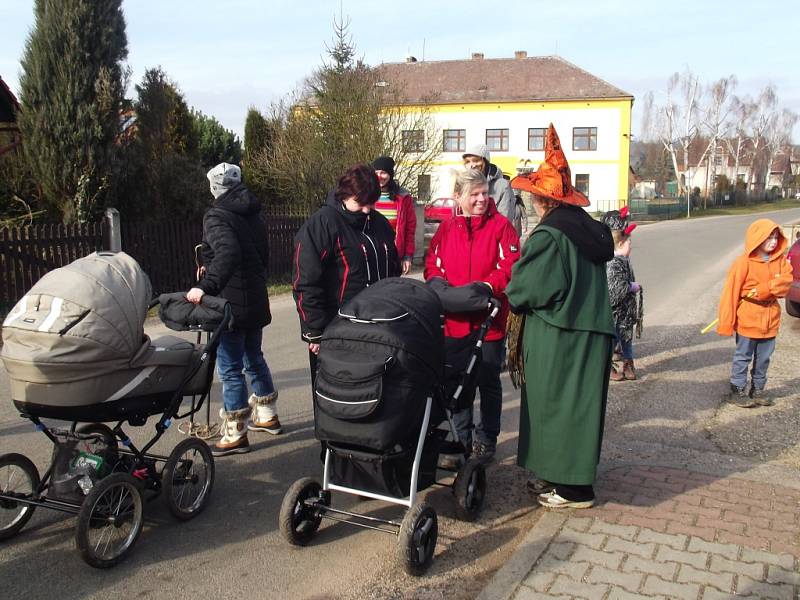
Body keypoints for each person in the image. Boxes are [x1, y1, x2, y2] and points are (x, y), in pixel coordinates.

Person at [505, 124, 615, 509]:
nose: (532, 201)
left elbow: (528, 289)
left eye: (534, 195)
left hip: (560, 334)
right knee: (576, 409)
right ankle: (560, 478)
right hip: (589, 331)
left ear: (543, 200)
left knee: (557, 408)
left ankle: (573, 489)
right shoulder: (585, 229)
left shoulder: (550, 236)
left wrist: (511, 288)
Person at [424, 168, 520, 464]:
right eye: (474, 195)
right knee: (457, 380)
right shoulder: (447, 228)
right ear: (458, 197)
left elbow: (510, 265)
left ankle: (486, 438)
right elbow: (432, 263)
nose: (481, 200)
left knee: (488, 380)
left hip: (488, 321)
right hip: (454, 321)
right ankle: (461, 437)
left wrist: (487, 286)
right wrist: (439, 285)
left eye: (484, 193)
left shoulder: (502, 227)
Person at [187, 162, 279, 457]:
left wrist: (207, 286)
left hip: (229, 304)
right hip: (254, 297)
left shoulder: (216, 215)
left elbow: (227, 253)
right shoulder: (253, 213)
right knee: (254, 357)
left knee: (230, 369)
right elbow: (261, 254)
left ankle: (235, 431)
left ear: (214, 187)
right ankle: (266, 416)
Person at [292, 163, 400, 372]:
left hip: (380, 327)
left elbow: (392, 270)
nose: (367, 209)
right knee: (337, 397)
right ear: (345, 194)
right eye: (361, 202)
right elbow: (306, 281)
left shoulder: (380, 224)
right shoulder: (322, 224)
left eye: (372, 203)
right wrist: (315, 331)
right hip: (337, 328)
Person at [716, 219, 792, 408]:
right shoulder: (743, 262)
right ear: (757, 239)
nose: (773, 242)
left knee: (764, 358)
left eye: (776, 238)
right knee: (743, 356)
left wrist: (765, 289)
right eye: (769, 238)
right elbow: (730, 292)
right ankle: (738, 390)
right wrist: (727, 322)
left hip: (770, 320)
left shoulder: (780, 261)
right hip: (748, 318)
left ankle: (758, 389)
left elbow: (785, 283)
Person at [602, 206, 643, 381]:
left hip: (625, 312)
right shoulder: (612, 262)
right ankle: (606, 366)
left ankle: (628, 364)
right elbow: (614, 289)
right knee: (612, 339)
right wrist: (630, 287)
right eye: (629, 243)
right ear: (619, 243)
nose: (631, 246)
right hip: (614, 313)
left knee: (627, 339)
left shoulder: (624, 260)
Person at [372, 156, 417, 275]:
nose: (379, 176)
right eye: (376, 173)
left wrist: (407, 256)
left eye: (383, 173)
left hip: (394, 256)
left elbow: (409, 229)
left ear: (390, 174)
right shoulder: (367, 194)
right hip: (372, 254)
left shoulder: (403, 197)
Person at [462, 144, 519, 235]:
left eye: (476, 160)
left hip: (492, 241)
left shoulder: (501, 186)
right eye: (467, 162)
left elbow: (504, 223)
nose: (471, 165)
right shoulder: (463, 186)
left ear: (485, 161)